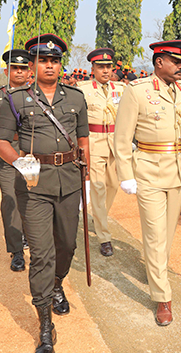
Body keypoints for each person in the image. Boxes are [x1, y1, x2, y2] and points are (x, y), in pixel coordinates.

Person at [0, 34, 89, 352]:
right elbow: (1, 142)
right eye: (43, 60)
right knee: (42, 255)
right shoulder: (16, 100)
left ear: (60, 64)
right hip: (33, 186)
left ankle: (58, 284)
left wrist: (84, 163)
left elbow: (83, 135)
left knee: (67, 245)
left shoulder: (75, 98)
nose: (49, 64)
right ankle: (45, 323)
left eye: (55, 60)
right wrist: (20, 162)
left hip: (69, 182)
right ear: (33, 65)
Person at [114, 40, 181, 326]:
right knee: (154, 233)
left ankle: (155, 269)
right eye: (176, 62)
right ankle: (162, 296)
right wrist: (126, 174)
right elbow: (122, 137)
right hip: (149, 169)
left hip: (179, 170)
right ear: (159, 62)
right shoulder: (137, 91)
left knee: (167, 232)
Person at [0, 49, 32, 272]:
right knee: (11, 199)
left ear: (29, 70)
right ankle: (16, 250)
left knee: (34, 199)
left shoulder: (38, 96)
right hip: (6, 158)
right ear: (6, 70)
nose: (19, 72)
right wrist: (16, 136)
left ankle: (32, 237)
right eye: (15, 68)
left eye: (23, 68)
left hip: (35, 156)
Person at [76, 48, 124, 257]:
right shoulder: (82, 89)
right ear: (93, 68)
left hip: (115, 144)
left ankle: (98, 216)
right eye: (101, 67)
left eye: (108, 67)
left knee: (113, 185)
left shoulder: (122, 89)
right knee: (98, 188)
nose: (105, 70)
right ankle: (104, 237)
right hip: (94, 143)